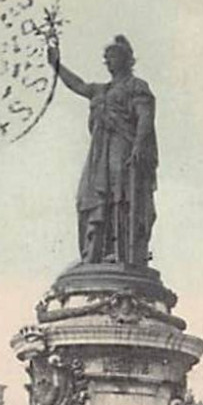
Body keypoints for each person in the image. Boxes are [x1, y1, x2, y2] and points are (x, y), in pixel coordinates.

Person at [47, 35, 158, 266]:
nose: (108, 62)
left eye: (112, 57)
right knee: (90, 196)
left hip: (122, 146)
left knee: (120, 195)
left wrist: (138, 145)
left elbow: (145, 118)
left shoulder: (136, 87)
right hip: (100, 152)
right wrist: (57, 64)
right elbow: (78, 85)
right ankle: (95, 251)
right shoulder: (101, 90)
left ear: (126, 60)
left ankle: (120, 252)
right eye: (105, 58)